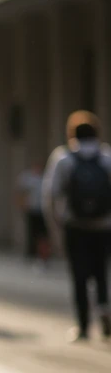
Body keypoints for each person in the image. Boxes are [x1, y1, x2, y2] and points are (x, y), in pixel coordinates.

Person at [42, 110, 111, 342]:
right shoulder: (106, 157)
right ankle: (103, 306)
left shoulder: (63, 158)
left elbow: (50, 195)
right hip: (103, 226)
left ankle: (83, 326)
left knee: (79, 276)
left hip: (75, 226)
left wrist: (55, 227)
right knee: (101, 272)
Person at [17, 161, 50, 266]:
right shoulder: (28, 177)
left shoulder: (46, 177)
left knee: (43, 234)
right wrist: (22, 206)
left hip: (43, 211)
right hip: (32, 210)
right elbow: (21, 192)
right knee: (32, 233)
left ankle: (43, 256)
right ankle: (31, 254)